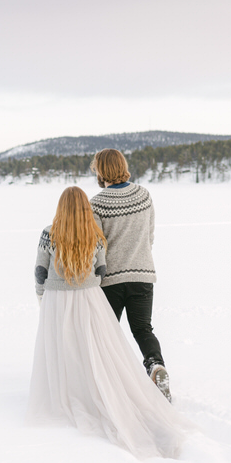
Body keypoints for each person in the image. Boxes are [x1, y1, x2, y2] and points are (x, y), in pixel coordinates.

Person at [27, 186, 192, 459]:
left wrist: (43, 299)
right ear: (84, 208)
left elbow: (40, 272)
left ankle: (69, 391)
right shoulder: (94, 235)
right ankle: (107, 383)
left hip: (57, 299)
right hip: (89, 295)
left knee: (64, 346)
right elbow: (101, 270)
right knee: (95, 345)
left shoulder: (48, 233)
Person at [89, 149, 171, 402]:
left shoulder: (97, 203)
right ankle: (156, 366)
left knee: (106, 332)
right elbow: (149, 236)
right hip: (142, 274)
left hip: (110, 280)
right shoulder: (143, 195)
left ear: (101, 170)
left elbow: (97, 247)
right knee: (143, 329)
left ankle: (110, 382)